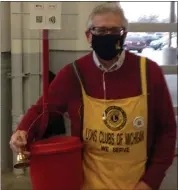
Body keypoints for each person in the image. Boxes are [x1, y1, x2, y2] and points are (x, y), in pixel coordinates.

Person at [10, 3, 176, 190]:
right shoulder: (74, 73)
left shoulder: (149, 72)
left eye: (114, 30)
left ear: (124, 35)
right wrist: (23, 131)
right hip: (88, 182)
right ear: (89, 36)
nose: (107, 36)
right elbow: (44, 109)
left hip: (137, 183)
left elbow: (167, 131)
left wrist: (150, 181)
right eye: (101, 31)